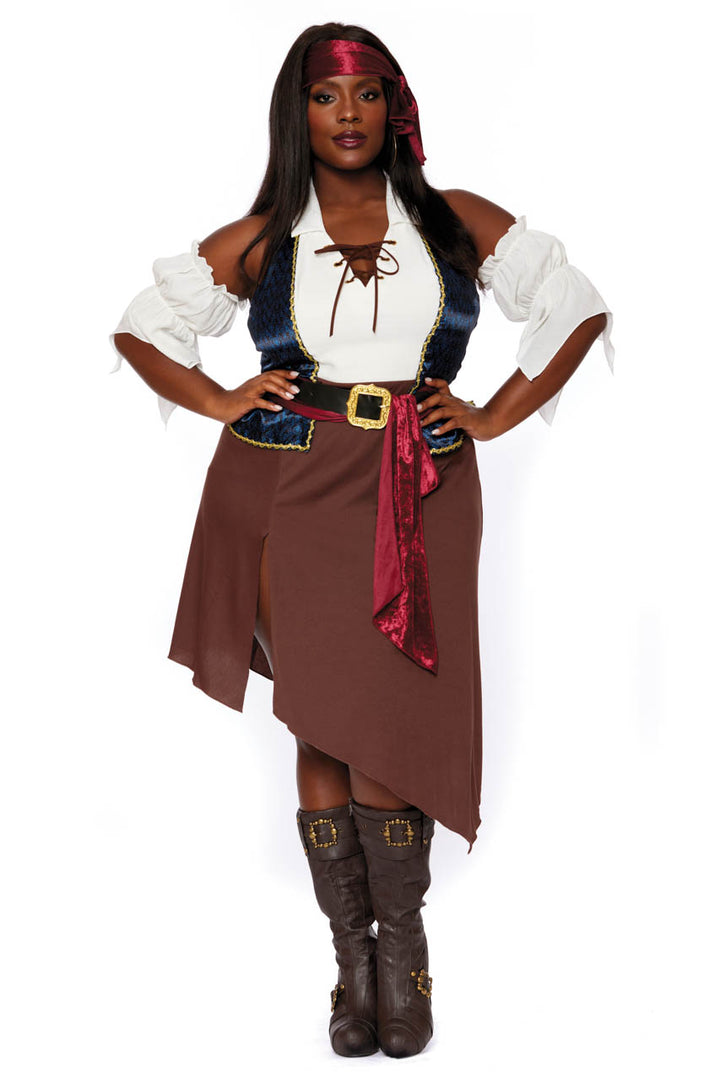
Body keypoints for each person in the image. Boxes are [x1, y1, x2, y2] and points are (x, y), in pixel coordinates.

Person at [109, 22, 614, 1059]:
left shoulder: (450, 219)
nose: (348, 114)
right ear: (297, 113)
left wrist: (495, 412)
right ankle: (354, 967)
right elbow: (140, 326)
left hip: (422, 484)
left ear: (395, 107)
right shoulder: (267, 237)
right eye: (327, 96)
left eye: (368, 94)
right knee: (322, 724)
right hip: (291, 486)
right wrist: (219, 398)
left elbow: (574, 307)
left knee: (385, 721)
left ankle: (407, 959)